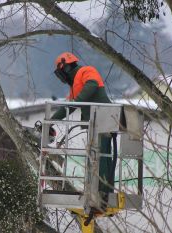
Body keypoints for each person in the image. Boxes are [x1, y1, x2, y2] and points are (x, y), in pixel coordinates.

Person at [51, 52, 114, 198]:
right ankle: (95, 188)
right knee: (94, 156)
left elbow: (91, 86)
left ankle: (103, 192)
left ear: (65, 68)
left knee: (102, 156)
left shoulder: (86, 71)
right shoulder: (74, 86)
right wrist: (50, 121)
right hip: (94, 123)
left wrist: (77, 101)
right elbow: (68, 107)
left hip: (104, 119)